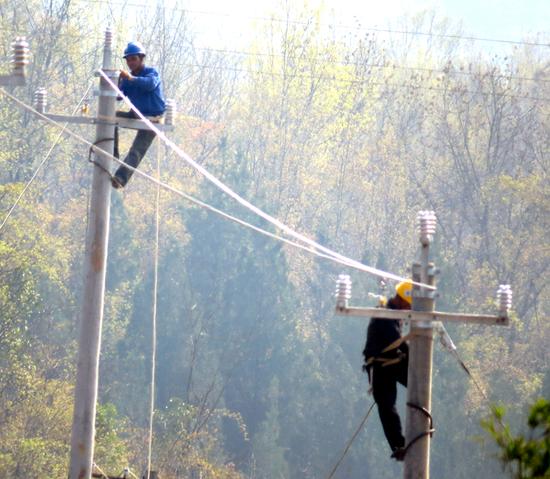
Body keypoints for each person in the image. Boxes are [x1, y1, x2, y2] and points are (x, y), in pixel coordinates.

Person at [362, 280, 412, 461]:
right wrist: (414, 356)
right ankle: (399, 444)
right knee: (386, 406)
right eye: (409, 305)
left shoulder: (396, 314)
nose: (409, 309)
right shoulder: (385, 314)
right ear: (401, 299)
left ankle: (421, 421)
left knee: (419, 384)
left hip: (394, 362)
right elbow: (397, 341)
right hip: (380, 366)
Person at [111, 41, 166, 189]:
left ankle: (120, 179)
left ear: (141, 58)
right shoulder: (128, 79)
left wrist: (129, 78)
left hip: (153, 119)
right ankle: (112, 152)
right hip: (136, 115)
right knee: (111, 117)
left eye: (133, 59)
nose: (130, 62)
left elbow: (149, 84)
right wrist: (115, 81)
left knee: (136, 150)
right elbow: (118, 96)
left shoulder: (151, 73)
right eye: (128, 59)